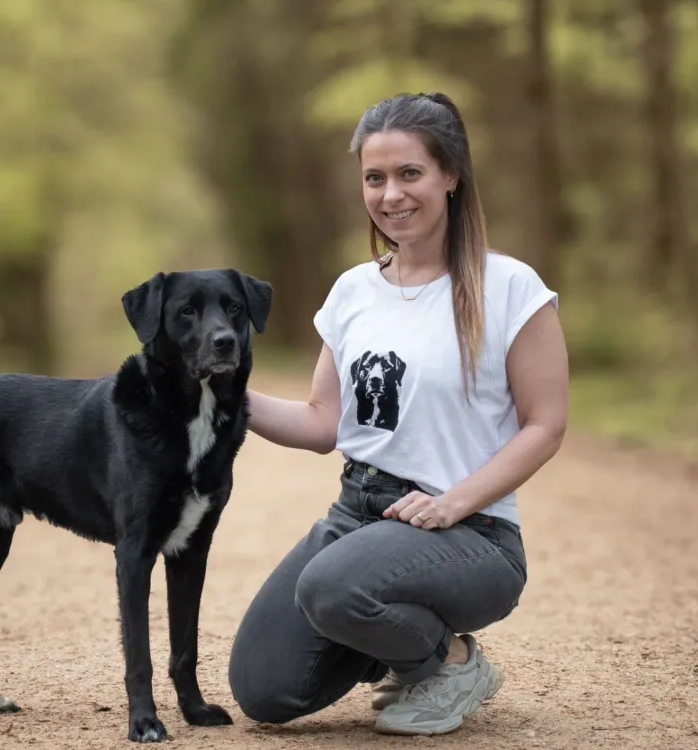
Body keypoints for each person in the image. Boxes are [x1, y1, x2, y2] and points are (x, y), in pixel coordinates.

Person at [226, 91, 569, 737]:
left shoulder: (510, 287)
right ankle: (395, 638)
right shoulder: (353, 291)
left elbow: (546, 424)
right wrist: (222, 397)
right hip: (358, 515)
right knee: (264, 691)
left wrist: (453, 503)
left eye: (409, 173)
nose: (391, 195)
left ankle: (454, 661)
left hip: (470, 535)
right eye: (374, 178)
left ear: (450, 175)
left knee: (331, 587)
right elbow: (321, 423)